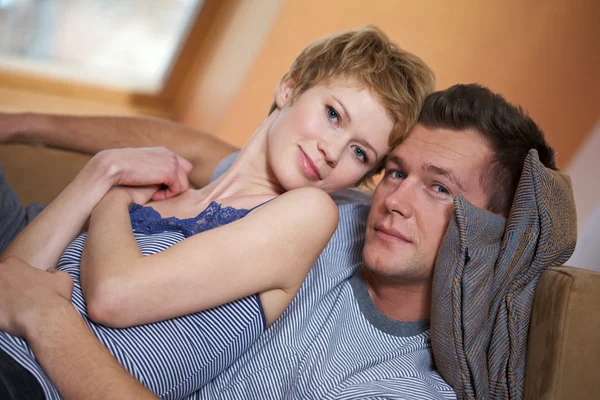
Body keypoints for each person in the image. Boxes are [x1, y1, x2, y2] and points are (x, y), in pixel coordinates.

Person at [0, 83, 557, 399]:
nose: (398, 199)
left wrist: (45, 319)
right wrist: (19, 123)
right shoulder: (344, 210)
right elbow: (195, 151)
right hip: (37, 248)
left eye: (439, 188)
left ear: (488, 237)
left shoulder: (406, 387)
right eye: (395, 171)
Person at [0, 26, 436, 399]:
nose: (332, 150)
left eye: (360, 153)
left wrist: (113, 199)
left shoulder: (308, 213)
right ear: (290, 86)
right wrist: (99, 174)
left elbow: (113, 296)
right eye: (332, 114)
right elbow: (13, 273)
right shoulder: (165, 193)